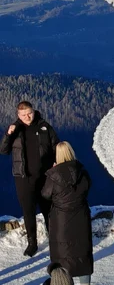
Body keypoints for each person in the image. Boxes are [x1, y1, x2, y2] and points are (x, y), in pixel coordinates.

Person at [0, 100, 59, 256]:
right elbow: (3, 150)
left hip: (46, 176)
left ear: (34, 111)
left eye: (30, 113)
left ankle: (55, 241)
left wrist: (56, 163)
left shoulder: (45, 126)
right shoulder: (16, 129)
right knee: (28, 211)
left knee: (49, 209)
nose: (27, 117)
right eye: (24, 114)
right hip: (23, 177)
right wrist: (8, 134)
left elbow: (56, 146)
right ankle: (32, 243)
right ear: (18, 115)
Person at [42, 141, 93, 284]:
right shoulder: (82, 172)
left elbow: (45, 194)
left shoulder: (53, 176)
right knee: (83, 257)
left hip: (61, 220)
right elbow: (87, 187)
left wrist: (52, 172)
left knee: (62, 256)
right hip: (81, 219)